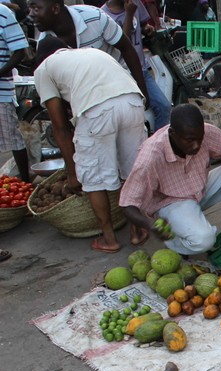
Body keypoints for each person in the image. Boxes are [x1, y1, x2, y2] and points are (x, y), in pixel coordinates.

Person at [34, 36, 148, 253]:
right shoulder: (91, 53)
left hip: (98, 110)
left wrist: (72, 172)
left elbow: (60, 127)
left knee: (93, 178)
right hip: (133, 102)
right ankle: (137, 230)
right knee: (130, 171)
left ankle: (109, 239)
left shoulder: (44, 68)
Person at [119, 104, 221, 256]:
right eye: (190, 140)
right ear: (173, 133)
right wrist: (150, 225)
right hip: (170, 201)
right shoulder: (150, 156)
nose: (196, 145)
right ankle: (175, 241)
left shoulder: (204, 132)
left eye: (200, 139)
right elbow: (127, 205)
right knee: (204, 240)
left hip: (199, 188)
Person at [28, 0, 149, 105]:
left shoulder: (94, 16)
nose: (30, 15)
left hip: (121, 87)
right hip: (88, 101)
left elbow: (127, 48)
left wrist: (142, 91)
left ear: (55, 8)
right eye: (30, 8)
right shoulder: (46, 45)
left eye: (36, 8)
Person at [102, 0, 171, 130]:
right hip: (121, 75)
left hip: (142, 70)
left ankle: (158, 143)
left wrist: (147, 29)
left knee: (163, 106)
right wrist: (129, 14)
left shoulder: (135, 4)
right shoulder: (104, 15)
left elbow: (142, 25)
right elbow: (122, 45)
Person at [0, 2, 30, 183]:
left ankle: (25, 182)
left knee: (13, 137)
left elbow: (20, 51)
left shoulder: (3, 13)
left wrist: (1, 72)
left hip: (2, 91)